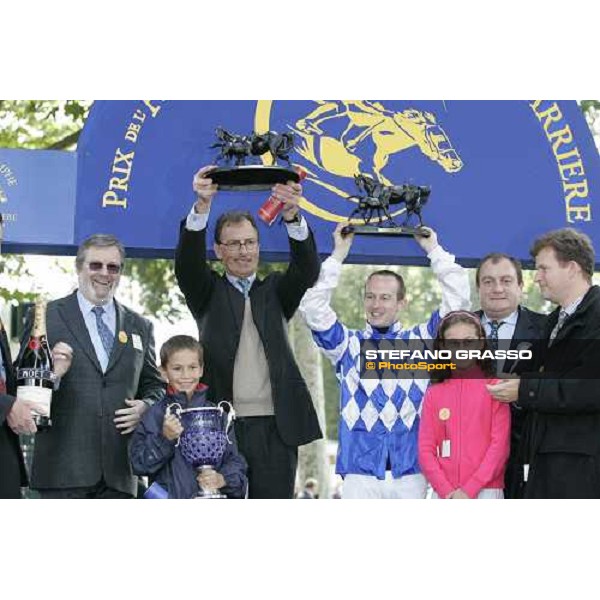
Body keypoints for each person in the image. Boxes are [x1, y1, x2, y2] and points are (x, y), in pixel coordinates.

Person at [175, 165, 322, 499]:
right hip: (222, 429)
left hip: (277, 427)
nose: (244, 251)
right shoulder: (206, 292)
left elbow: (307, 269)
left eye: (250, 242)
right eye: (235, 244)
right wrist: (201, 207)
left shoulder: (276, 291)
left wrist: (292, 215)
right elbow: (186, 265)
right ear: (219, 250)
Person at [298, 223, 471, 499]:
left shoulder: (423, 341)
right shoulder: (347, 344)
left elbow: (458, 297)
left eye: (385, 298)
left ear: (402, 303)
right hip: (359, 473)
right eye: (370, 297)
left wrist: (434, 250)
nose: (376, 305)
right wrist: (338, 256)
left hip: (412, 472)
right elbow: (312, 308)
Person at [29, 234, 165, 499]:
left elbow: (155, 386)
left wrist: (146, 407)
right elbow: (21, 384)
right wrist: (52, 376)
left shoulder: (140, 326)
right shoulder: (46, 317)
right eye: (96, 265)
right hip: (62, 472)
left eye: (112, 267)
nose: (104, 273)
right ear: (79, 267)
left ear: (120, 273)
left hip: (121, 474)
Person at [489, 228, 600, 498]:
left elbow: (590, 388)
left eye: (543, 268)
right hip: (546, 465)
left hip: (581, 472)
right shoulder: (553, 321)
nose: (536, 277)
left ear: (572, 268)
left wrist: (524, 389)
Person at [130, 335, 247, 499]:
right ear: (163, 372)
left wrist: (223, 479)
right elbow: (139, 465)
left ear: (201, 369)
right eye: (177, 368)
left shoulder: (218, 414)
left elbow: (235, 462)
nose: (186, 375)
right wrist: (164, 439)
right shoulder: (153, 415)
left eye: (192, 367)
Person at [475, 253, 547, 498]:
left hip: (527, 455)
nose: (497, 289)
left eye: (506, 281)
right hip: (470, 458)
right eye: (488, 281)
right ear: (478, 288)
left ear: (520, 287)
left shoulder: (547, 329)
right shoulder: (457, 329)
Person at [418, 311, 511, 499]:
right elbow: (425, 448)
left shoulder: (496, 388)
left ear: (481, 343)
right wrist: (445, 490)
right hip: (445, 494)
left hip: (487, 491)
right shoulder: (434, 393)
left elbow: (499, 447)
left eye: (469, 341)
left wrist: (470, 489)